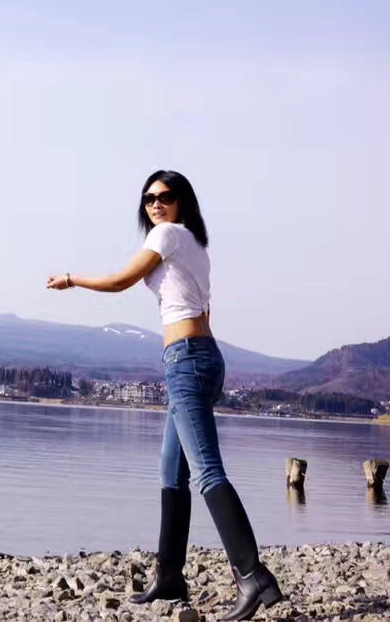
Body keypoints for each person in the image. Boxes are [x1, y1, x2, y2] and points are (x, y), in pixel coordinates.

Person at [46, 170, 282, 621]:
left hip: (188, 361)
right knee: (170, 472)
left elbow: (120, 281)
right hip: (200, 357)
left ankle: (253, 576)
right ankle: (170, 575)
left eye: (165, 196)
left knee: (207, 472)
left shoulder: (170, 235)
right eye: (149, 198)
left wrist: (72, 279)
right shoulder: (193, 244)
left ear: (182, 203)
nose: (156, 204)